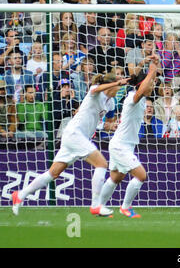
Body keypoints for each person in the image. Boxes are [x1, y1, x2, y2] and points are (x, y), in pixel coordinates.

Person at [11, 71, 130, 216]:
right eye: (118, 86)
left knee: (52, 173)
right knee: (102, 164)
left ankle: (20, 195)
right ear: (110, 85)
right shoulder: (95, 92)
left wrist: (112, 126)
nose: (119, 88)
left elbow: (108, 123)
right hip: (75, 134)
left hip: (79, 138)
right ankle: (96, 205)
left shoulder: (111, 103)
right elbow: (97, 88)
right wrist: (118, 82)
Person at [98, 58, 158, 218]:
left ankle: (99, 206)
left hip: (123, 144)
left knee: (116, 178)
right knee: (141, 175)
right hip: (120, 146)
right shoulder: (133, 98)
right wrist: (151, 71)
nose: (152, 87)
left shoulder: (140, 97)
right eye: (150, 84)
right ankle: (125, 207)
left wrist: (146, 66)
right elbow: (140, 87)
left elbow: (136, 79)